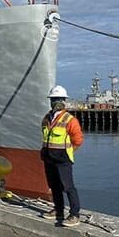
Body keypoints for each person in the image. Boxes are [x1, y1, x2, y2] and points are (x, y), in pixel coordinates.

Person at [41, 85, 84, 227]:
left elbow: (77, 140)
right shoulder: (46, 118)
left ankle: (74, 214)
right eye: (54, 99)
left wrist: (68, 152)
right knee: (54, 186)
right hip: (49, 158)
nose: (56, 102)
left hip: (62, 159)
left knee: (68, 186)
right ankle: (58, 210)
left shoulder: (70, 120)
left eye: (59, 99)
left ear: (64, 101)